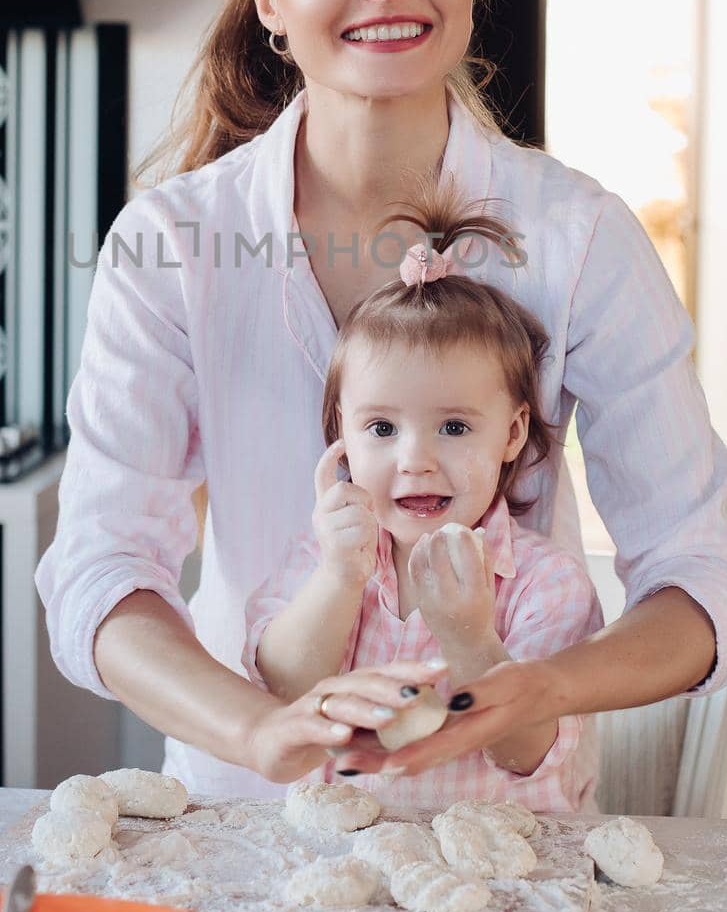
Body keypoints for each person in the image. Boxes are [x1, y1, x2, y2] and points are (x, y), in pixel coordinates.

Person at [35, 0, 727, 801]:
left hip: (500, 827)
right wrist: (260, 731)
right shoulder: (170, 244)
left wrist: (534, 686)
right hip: (242, 815)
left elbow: (698, 572)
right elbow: (99, 571)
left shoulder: (579, 236)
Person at [243, 173, 605, 810]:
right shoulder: (323, 556)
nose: (416, 461)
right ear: (343, 440)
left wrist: (469, 637)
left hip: (497, 870)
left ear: (514, 433)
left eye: (455, 427)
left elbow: (524, 748)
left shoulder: (547, 585)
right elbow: (285, 693)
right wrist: (337, 579)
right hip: (345, 854)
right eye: (382, 428)